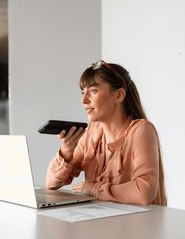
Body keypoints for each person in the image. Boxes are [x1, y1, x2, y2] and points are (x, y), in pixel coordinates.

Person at [46, 60, 167, 206]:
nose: (83, 100)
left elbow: (144, 192)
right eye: (83, 92)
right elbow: (51, 184)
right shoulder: (93, 131)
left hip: (138, 224)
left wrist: (95, 190)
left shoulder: (141, 130)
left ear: (118, 95)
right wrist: (66, 151)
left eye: (93, 91)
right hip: (104, 221)